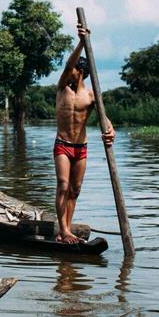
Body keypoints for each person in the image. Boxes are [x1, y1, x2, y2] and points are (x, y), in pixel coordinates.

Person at [54, 25, 115, 244]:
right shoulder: (63, 88)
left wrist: (110, 129)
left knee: (75, 189)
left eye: (72, 70)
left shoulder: (91, 95)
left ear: (80, 72)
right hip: (62, 144)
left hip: (81, 147)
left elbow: (103, 117)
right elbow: (70, 63)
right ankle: (63, 231)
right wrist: (82, 41)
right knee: (62, 184)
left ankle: (67, 228)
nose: (68, 71)